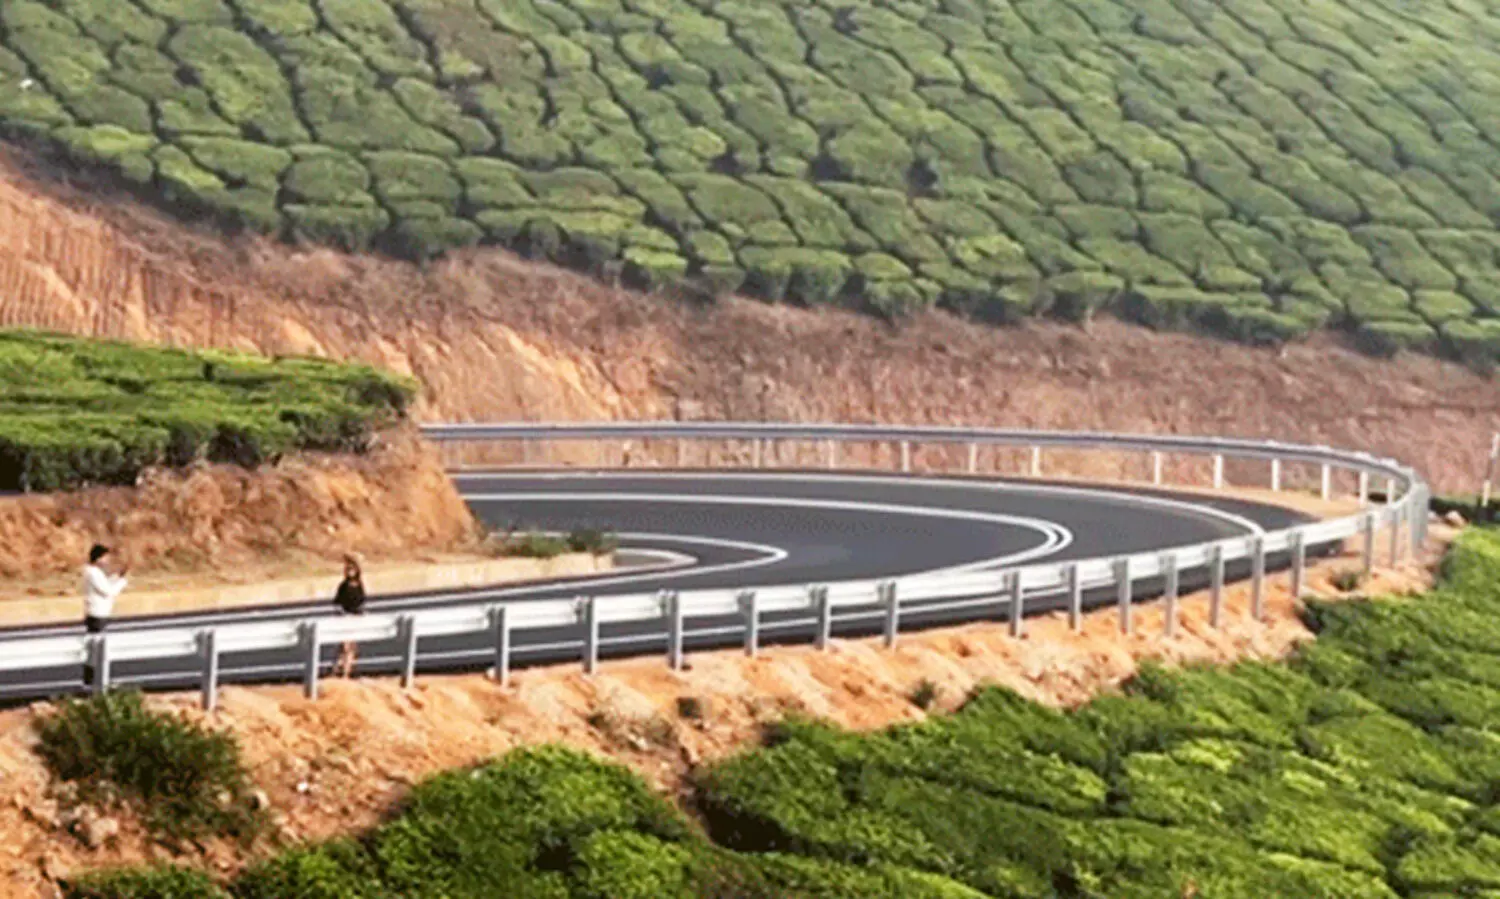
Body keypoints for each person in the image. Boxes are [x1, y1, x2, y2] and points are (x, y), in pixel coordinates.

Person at [82, 544, 127, 686]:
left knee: (94, 648)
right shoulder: (93, 573)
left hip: (98, 613)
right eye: (105, 557)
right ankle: (92, 680)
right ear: (98, 558)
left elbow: (106, 585)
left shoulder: (93, 572)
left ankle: (91, 679)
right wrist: (121, 582)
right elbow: (107, 591)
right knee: (97, 649)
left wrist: (117, 577)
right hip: (97, 614)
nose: (107, 561)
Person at [333, 555, 367, 678]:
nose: (350, 571)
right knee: (345, 646)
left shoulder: (359, 585)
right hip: (345, 618)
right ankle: (338, 670)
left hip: (356, 618)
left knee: (352, 647)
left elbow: (362, 601)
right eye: (348, 569)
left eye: (352, 569)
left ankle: (347, 671)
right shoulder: (343, 586)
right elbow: (337, 603)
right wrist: (341, 614)